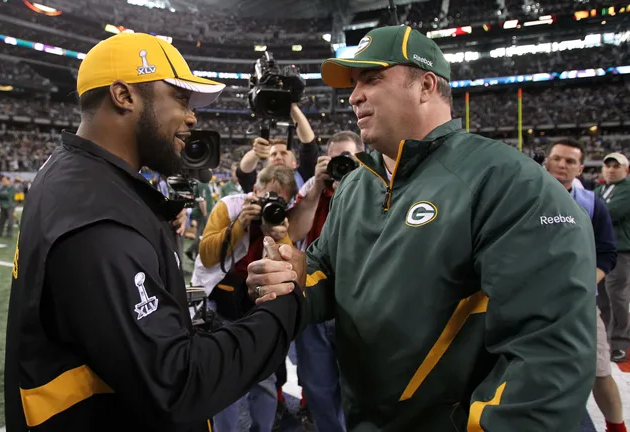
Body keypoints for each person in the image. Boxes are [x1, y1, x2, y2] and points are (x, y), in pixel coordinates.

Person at [247, 25, 597, 431]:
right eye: (354, 83)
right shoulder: (357, 183)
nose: (354, 95)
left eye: (372, 78)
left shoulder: (507, 181)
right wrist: (293, 275)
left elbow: (548, 353)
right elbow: (328, 270)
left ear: (427, 85)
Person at [4, 32, 305, 432]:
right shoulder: (98, 218)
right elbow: (179, 384)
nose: (193, 116)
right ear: (124, 96)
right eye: (180, 98)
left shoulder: (77, 176)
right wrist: (284, 304)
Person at [191, 164, 297, 432]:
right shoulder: (230, 206)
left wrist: (280, 234)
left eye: (279, 201)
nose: (270, 205)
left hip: (257, 303)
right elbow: (206, 254)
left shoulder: (284, 218)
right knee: (222, 376)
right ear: (254, 191)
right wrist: (240, 224)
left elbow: (289, 271)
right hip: (220, 298)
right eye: (266, 198)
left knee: (265, 377)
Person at [545, 139, 626, 432]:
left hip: (579, 303)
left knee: (599, 371)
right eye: (557, 159)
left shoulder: (593, 205)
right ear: (546, 161)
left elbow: (607, 253)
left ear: (580, 168)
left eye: (569, 161)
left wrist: (582, 284)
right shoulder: (523, 197)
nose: (562, 165)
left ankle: (616, 426)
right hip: (532, 303)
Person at [286, 130, 365, 432]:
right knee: (318, 387)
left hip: (354, 302)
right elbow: (293, 234)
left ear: (361, 157)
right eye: (335, 158)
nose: (340, 164)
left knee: (357, 386)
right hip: (316, 299)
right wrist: (317, 187)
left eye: (348, 157)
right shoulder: (313, 188)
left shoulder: (374, 185)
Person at [596, 152, 630, 363]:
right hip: (600, 251)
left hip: (620, 251)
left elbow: (611, 213)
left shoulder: (627, 189)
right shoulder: (600, 189)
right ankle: (607, 340)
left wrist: (593, 212)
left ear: (625, 170)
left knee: (617, 297)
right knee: (603, 299)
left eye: (616, 166)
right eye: (607, 166)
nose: (610, 169)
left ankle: (620, 342)